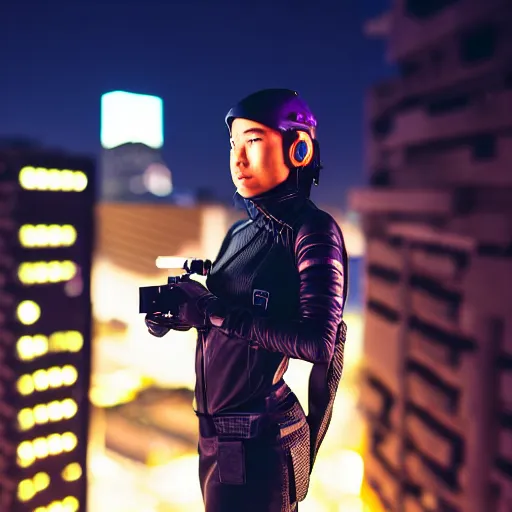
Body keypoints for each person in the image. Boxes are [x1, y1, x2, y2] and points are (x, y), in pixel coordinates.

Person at [145, 88, 348, 512]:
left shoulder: (313, 231)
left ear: (298, 148)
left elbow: (318, 344)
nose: (238, 158)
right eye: (233, 144)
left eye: (253, 141)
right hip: (214, 432)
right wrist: (181, 314)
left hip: (261, 440)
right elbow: (223, 314)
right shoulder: (240, 233)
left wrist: (215, 313)